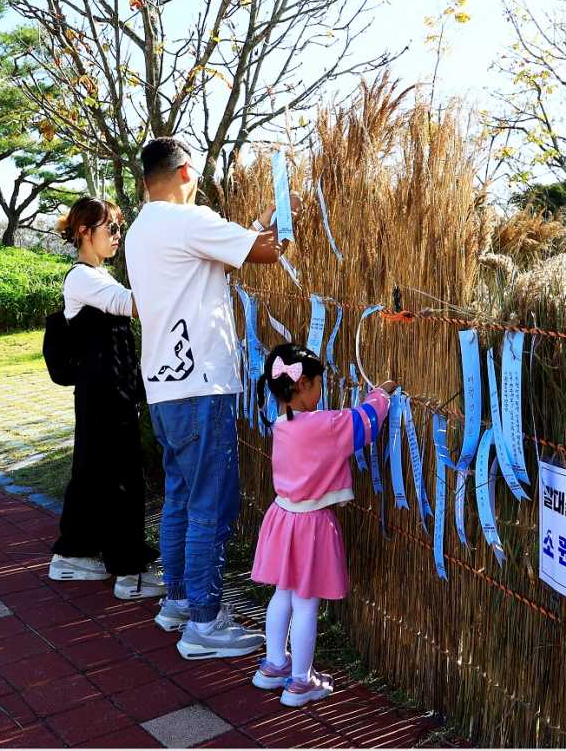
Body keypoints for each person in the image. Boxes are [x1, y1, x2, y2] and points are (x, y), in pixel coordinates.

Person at [125, 136, 298, 660]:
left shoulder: (140, 230)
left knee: (181, 496)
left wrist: (256, 224)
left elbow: (223, 253)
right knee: (211, 504)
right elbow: (268, 252)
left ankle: (177, 600)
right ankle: (205, 622)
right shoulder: (188, 220)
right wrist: (286, 221)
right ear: (185, 172)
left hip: (164, 389)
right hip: (202, 385)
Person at [248, 343, 396, 706]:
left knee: (282, 594)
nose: (321, 392)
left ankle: (273, 665)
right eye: (318, 385)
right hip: (310, 525)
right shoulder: (323, 425)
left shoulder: (282, 423)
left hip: (282, 517)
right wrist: (382, 394)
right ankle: (301, 682)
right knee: (306, 603)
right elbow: (363, 424)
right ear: (302, 385)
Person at [48, 197, 163, 600]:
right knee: (121, 481)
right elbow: (133, 305)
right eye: (110, 228)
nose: (117, 236)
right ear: (84, 232)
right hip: (104, 395)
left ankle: (73, 555)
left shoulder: (98, 275)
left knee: (93, 475)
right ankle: (128, 573)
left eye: (119, 228)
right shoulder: (82, 278)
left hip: (105, 392)